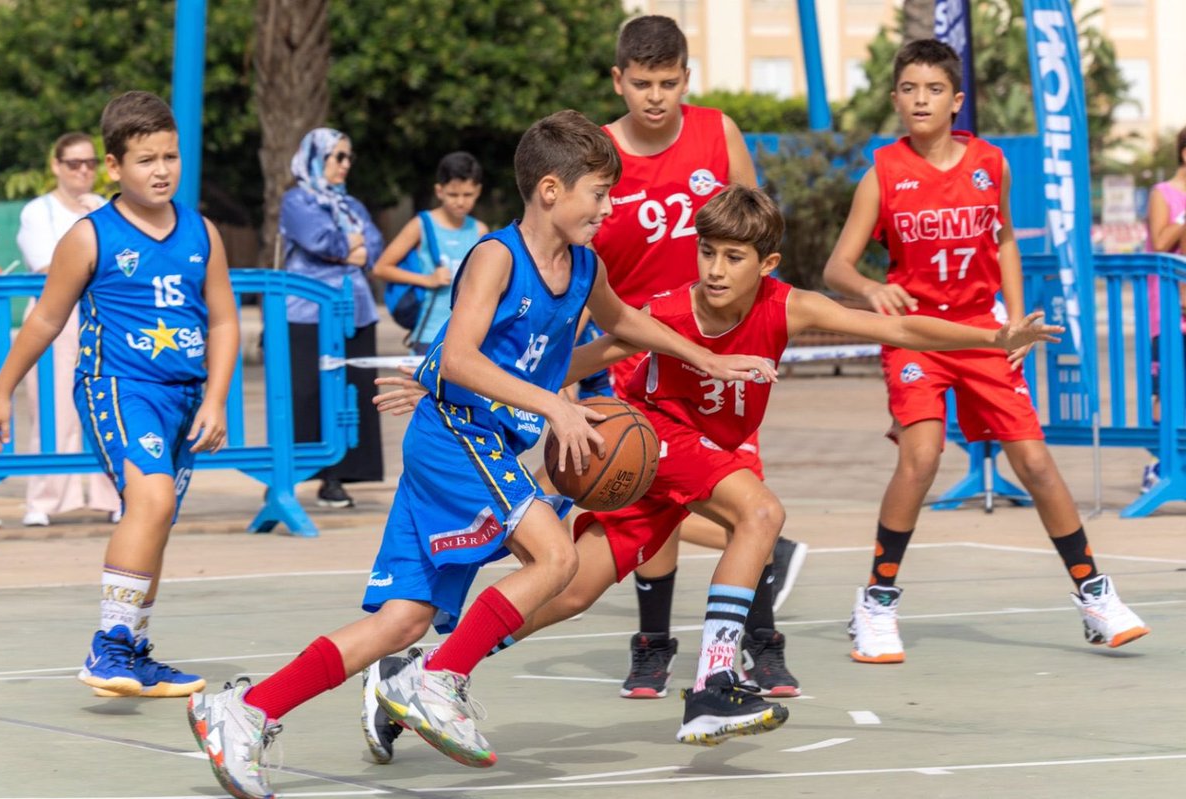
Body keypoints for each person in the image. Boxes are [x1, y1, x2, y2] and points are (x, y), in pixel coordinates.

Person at [186, 109, 776, 797]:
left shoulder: (584, 266)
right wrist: (550, 401)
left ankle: (247, 710)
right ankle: (437, 678)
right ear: (551, 189)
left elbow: (626, 324)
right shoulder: (498, 255)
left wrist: (706, 355)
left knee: (401, 619)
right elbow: (462, 353)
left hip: (471, 440)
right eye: (599, 192)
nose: (609, 207)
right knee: (554, 557)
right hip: (457, 437)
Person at [370, 184, 1062, 747]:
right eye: (707, 252)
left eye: (734, 256)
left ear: (767, 263)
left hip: (654, 476)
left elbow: (901, 328)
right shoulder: (670, 311)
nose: (716, 269)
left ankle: (419, 672)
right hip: (653, 437)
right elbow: (582, 359)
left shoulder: (789, 307)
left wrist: (994, 336)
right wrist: (454, 379)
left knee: (573, 592)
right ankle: (711, 687)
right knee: (760, 511)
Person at [822, 39, 1151, 665]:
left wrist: (1017, 318)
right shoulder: (882, 173)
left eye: (934, 89)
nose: (922, 99)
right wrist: (870, 286)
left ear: (956, 99)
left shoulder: (989, 162)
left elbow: (1002, 240)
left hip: (982, 331)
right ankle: (877, 602)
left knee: (1035, 462)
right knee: (920, 456)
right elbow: (838, 266)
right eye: (910, 89)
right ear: (895, 99)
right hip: (917, 334)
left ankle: (1094, 594)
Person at [0, 90, 239, 697]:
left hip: (185, 397)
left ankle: (136, 651)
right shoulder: (89, 236)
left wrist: (216, 399)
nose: (161, 170)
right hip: (119, 387)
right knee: (149, 502)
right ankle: (109, 650)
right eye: (146, 159)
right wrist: (0, 392)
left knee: (155, 520)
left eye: (170, 157)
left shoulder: (202, 232)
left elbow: (225, 320)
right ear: (113, 167)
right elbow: (45, 320)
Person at [589, 13, 807, 701]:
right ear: (618, 80)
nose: (656, 97)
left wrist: (765, 321)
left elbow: (755, 216)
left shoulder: (718, 133)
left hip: (721, 348)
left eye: (669, 82)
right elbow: (573, 259)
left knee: (748, 486)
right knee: (650, 493)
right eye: (642, 83)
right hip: (639, 350)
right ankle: (653, 645)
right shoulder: (596, 154)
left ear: (687, 78)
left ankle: (761, 642)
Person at [16, 132, 122, 527]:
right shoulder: (37, 211)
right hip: (56, 317)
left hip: (102, 316)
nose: (83, 171)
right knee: (53, 409)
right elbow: (48, 266)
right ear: (56, 166)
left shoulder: (105, 206)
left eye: (89, 163)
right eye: (74, 163)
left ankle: (112, 494)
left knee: (106, 406)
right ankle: (43, 500)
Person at [280, 128, 385, 509]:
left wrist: (350, 247)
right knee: (308, 394)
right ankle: (289, 475)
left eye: (348, 157)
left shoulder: (351, 204)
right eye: (337, 156)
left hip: (355, 310)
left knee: (352, 391)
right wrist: (348, 246)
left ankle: (338, 476)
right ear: (315, 158)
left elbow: (373, 245)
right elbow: (320, 241)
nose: (344, 165)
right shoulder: (296, 200)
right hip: (310, 313)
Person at [373, 151, 489, 355]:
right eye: (453, 195)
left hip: (467, 335)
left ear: (478, 191)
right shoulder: (421, 225)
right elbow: (381, 268)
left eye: (467, 195)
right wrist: (427, 280)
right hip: (427, 334)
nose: (460, 202)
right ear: (439, 191)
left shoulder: (479, 230)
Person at [1139, 124, 1186, 493]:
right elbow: (1161, 240)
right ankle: (1160, 463)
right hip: (1167, 311)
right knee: (1164, 390)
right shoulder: (1163, 193)